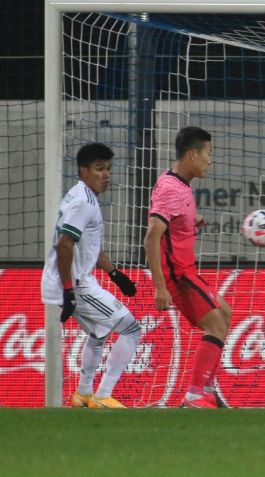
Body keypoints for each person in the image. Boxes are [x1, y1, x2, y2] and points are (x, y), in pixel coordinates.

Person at [41, 143, 141, 408]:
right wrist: (69, 290)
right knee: (131, 329)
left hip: (73, 281)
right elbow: (64, 244)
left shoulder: (80, 195)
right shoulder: (85, 202)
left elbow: (89, 247)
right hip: (77, 284)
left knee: (99, 334)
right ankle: (103, 395)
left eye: (108, 168)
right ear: (83, 171)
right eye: (99, 169)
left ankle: (83, 394)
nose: (106, 174)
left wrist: (115, 274)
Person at [143, 126, 232, 408]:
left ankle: (206, 388)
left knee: (225, 313)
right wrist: (160, 287)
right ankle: (195, 395)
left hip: (186, 271)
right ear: (192, 154)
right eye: (208, 153)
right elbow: (151, 237)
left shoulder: (178, 184)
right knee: (215, 324)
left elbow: (170, 222)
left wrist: (191, 219)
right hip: (178, 275)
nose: (210, 160)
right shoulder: (171, 188)